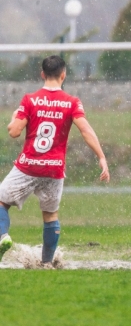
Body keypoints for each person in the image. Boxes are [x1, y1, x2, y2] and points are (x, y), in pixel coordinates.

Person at [0, 55, 110, 267]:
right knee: (50, 215)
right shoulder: (72, 102)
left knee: (1, 202)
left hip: (28, 165)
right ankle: (47, 263)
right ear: (63, 75)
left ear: (42, 74)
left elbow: (14, 132)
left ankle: (2, 236)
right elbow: (85, 130)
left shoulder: (30, 99)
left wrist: (14, 118)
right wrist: (101, 157)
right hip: (54, 169)